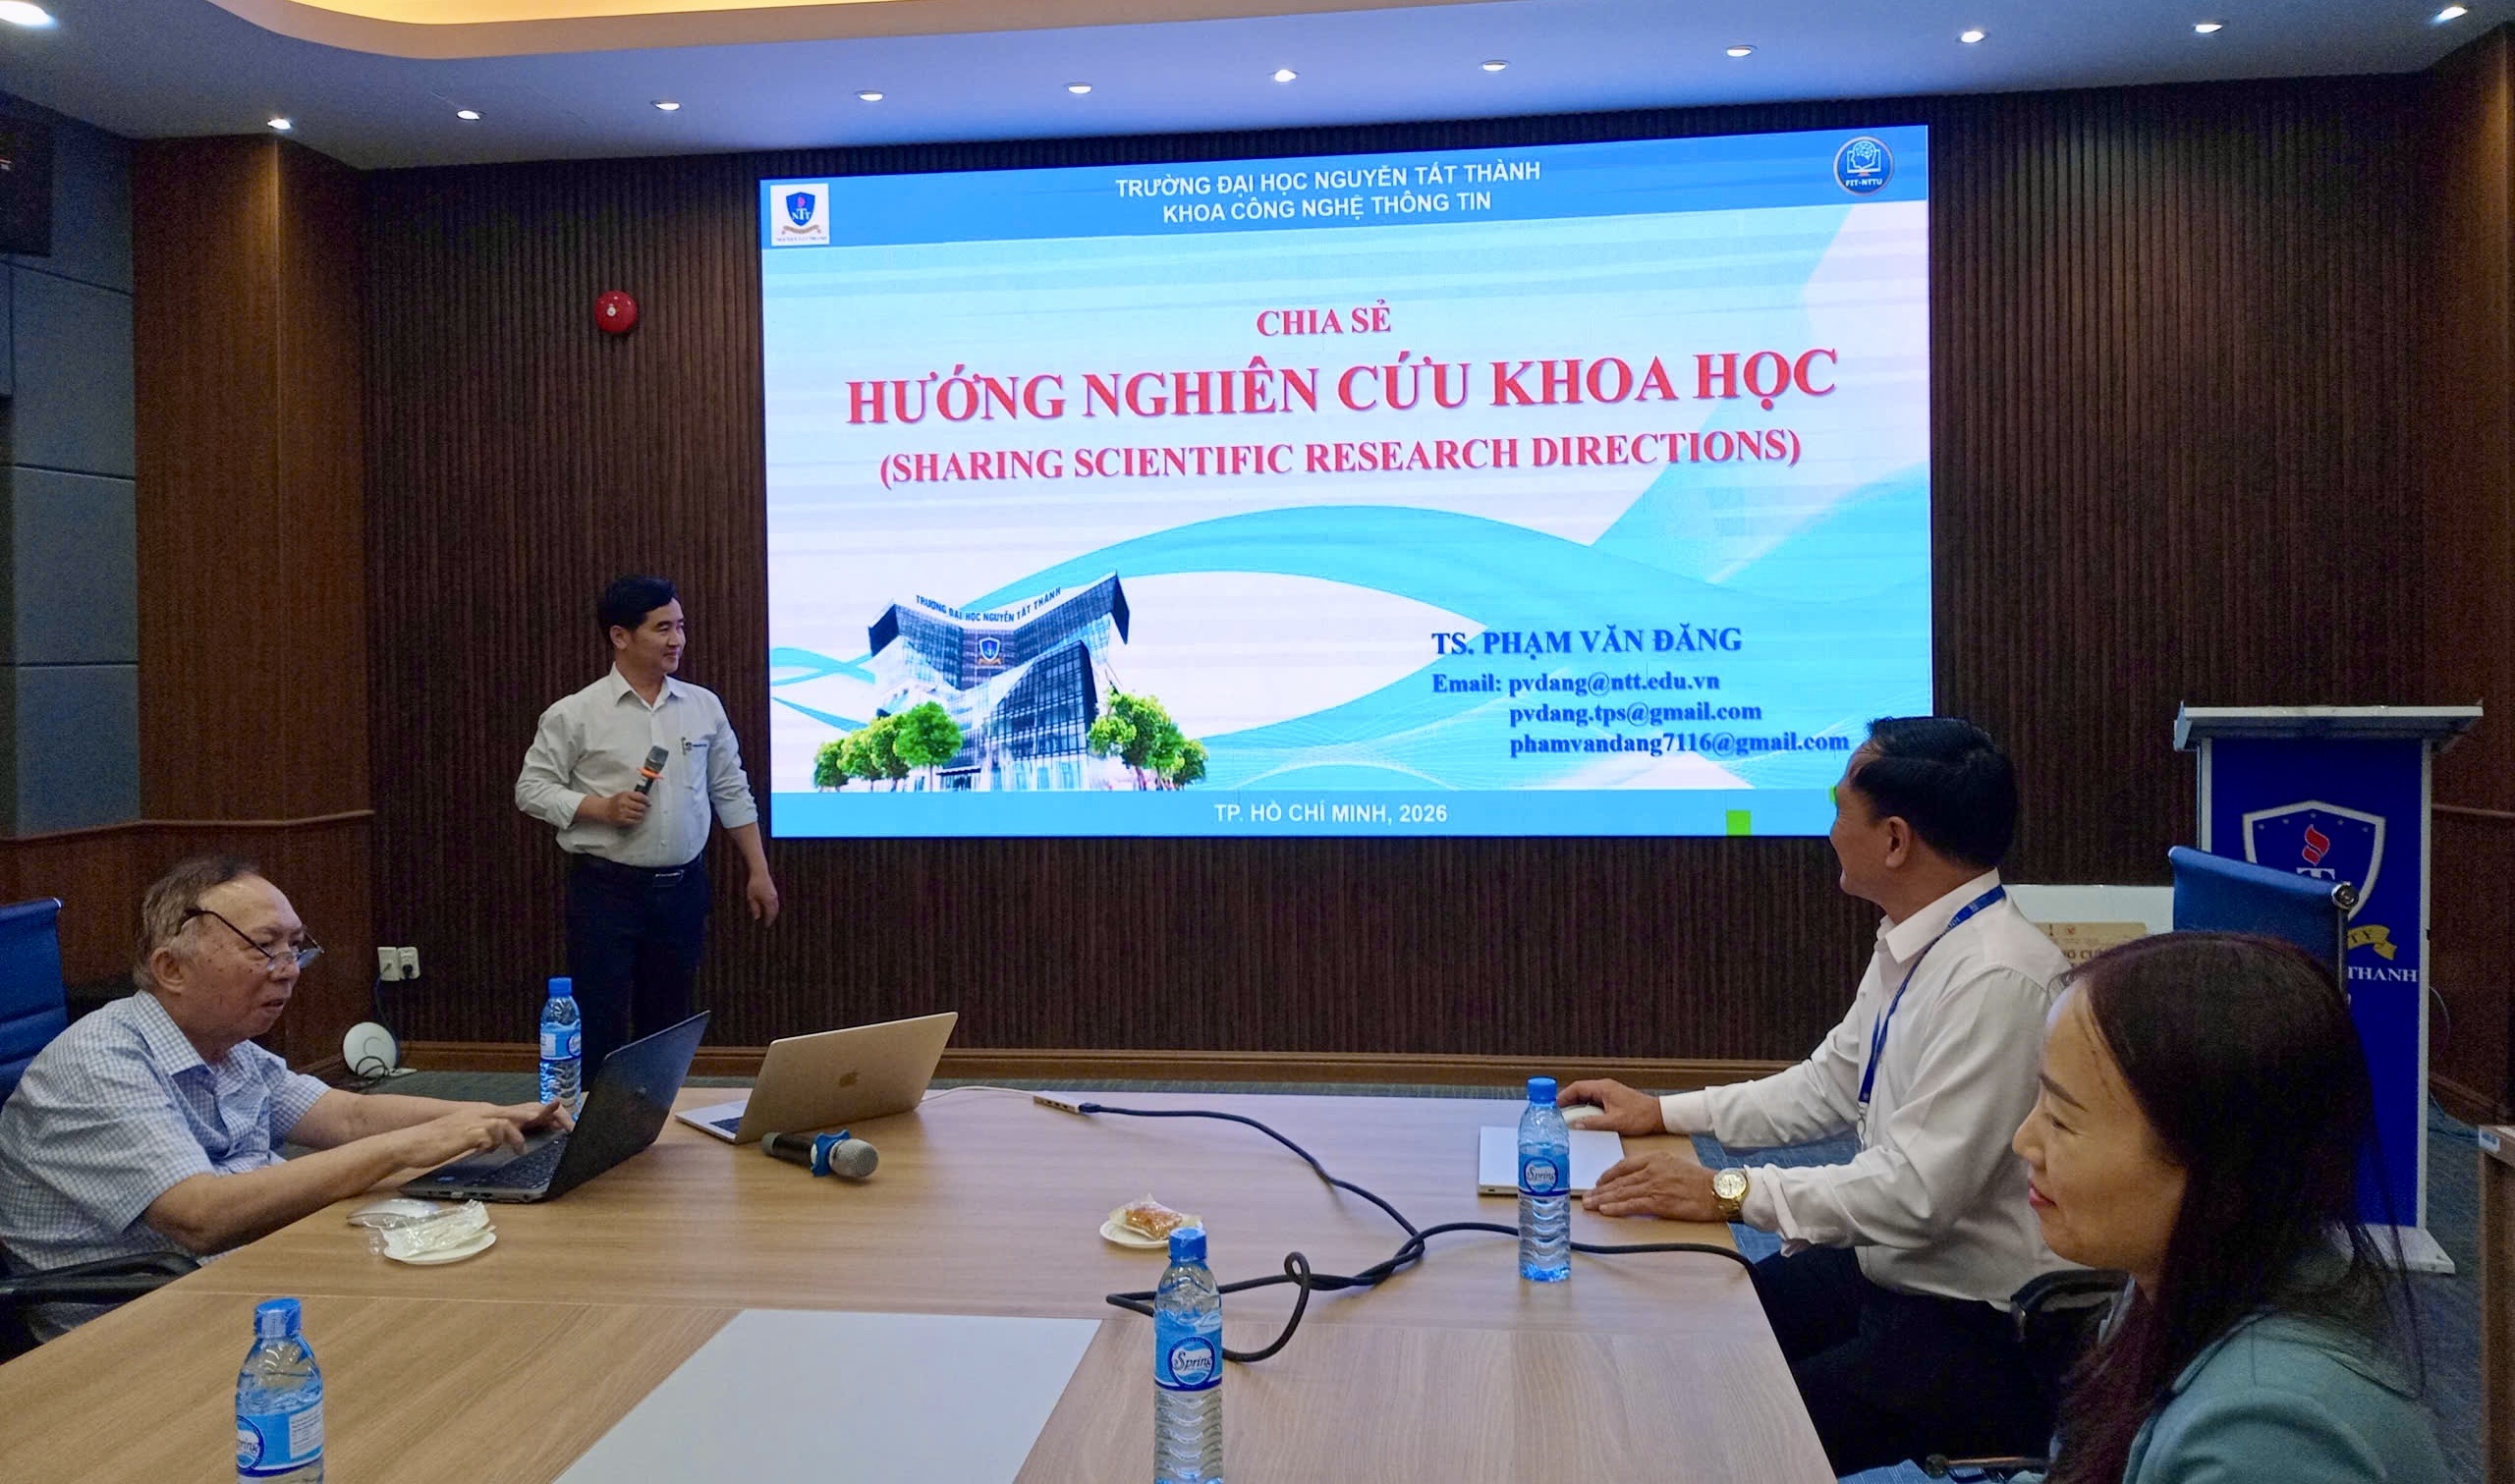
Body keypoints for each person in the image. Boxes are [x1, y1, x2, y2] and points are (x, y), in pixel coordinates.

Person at [1560, 716, 2074, 1474]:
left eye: (1839, 806)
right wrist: (1663, 1112)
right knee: (1694, 1328)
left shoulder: (1998, 978)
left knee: (1732, 1431)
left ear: (1894, 840)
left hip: (1974, 1326)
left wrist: (1728, 1192)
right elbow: (1828, 1084)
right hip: (1885, 1268)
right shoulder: (1920, 938)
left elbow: (1915, 1194)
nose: (1829, 829)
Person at [0, 857, 571, 1338]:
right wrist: (409, 1146)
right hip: (143, 1325)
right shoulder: (101, 1060)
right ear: (171, 969)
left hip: (246, 1278)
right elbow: (201, 1216)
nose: (289, 971)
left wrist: (494, 1114)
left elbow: (348, 1116)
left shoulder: (226, 1046)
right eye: (265, 947)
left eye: (296, 948)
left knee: (486, 1284)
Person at [2011, 932, 2448, 1484]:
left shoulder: (2266, 1433)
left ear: (2217, 1162)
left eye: (2062, 1120)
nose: (2023, 1141)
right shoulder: (2175, 1287)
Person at [516, 575, 779, 1075]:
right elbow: (530, 789)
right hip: (605, 891)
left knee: (669, 1023)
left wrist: (758, 871)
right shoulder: (575, 713)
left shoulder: (703, 706)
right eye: (662, 628)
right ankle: (593, 1122)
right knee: (601, 1020)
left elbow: (730, 789)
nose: (677, 639)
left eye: (680, 626)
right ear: (620, 636)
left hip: (683, 889)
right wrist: (600, 808)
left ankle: (661, 1120)